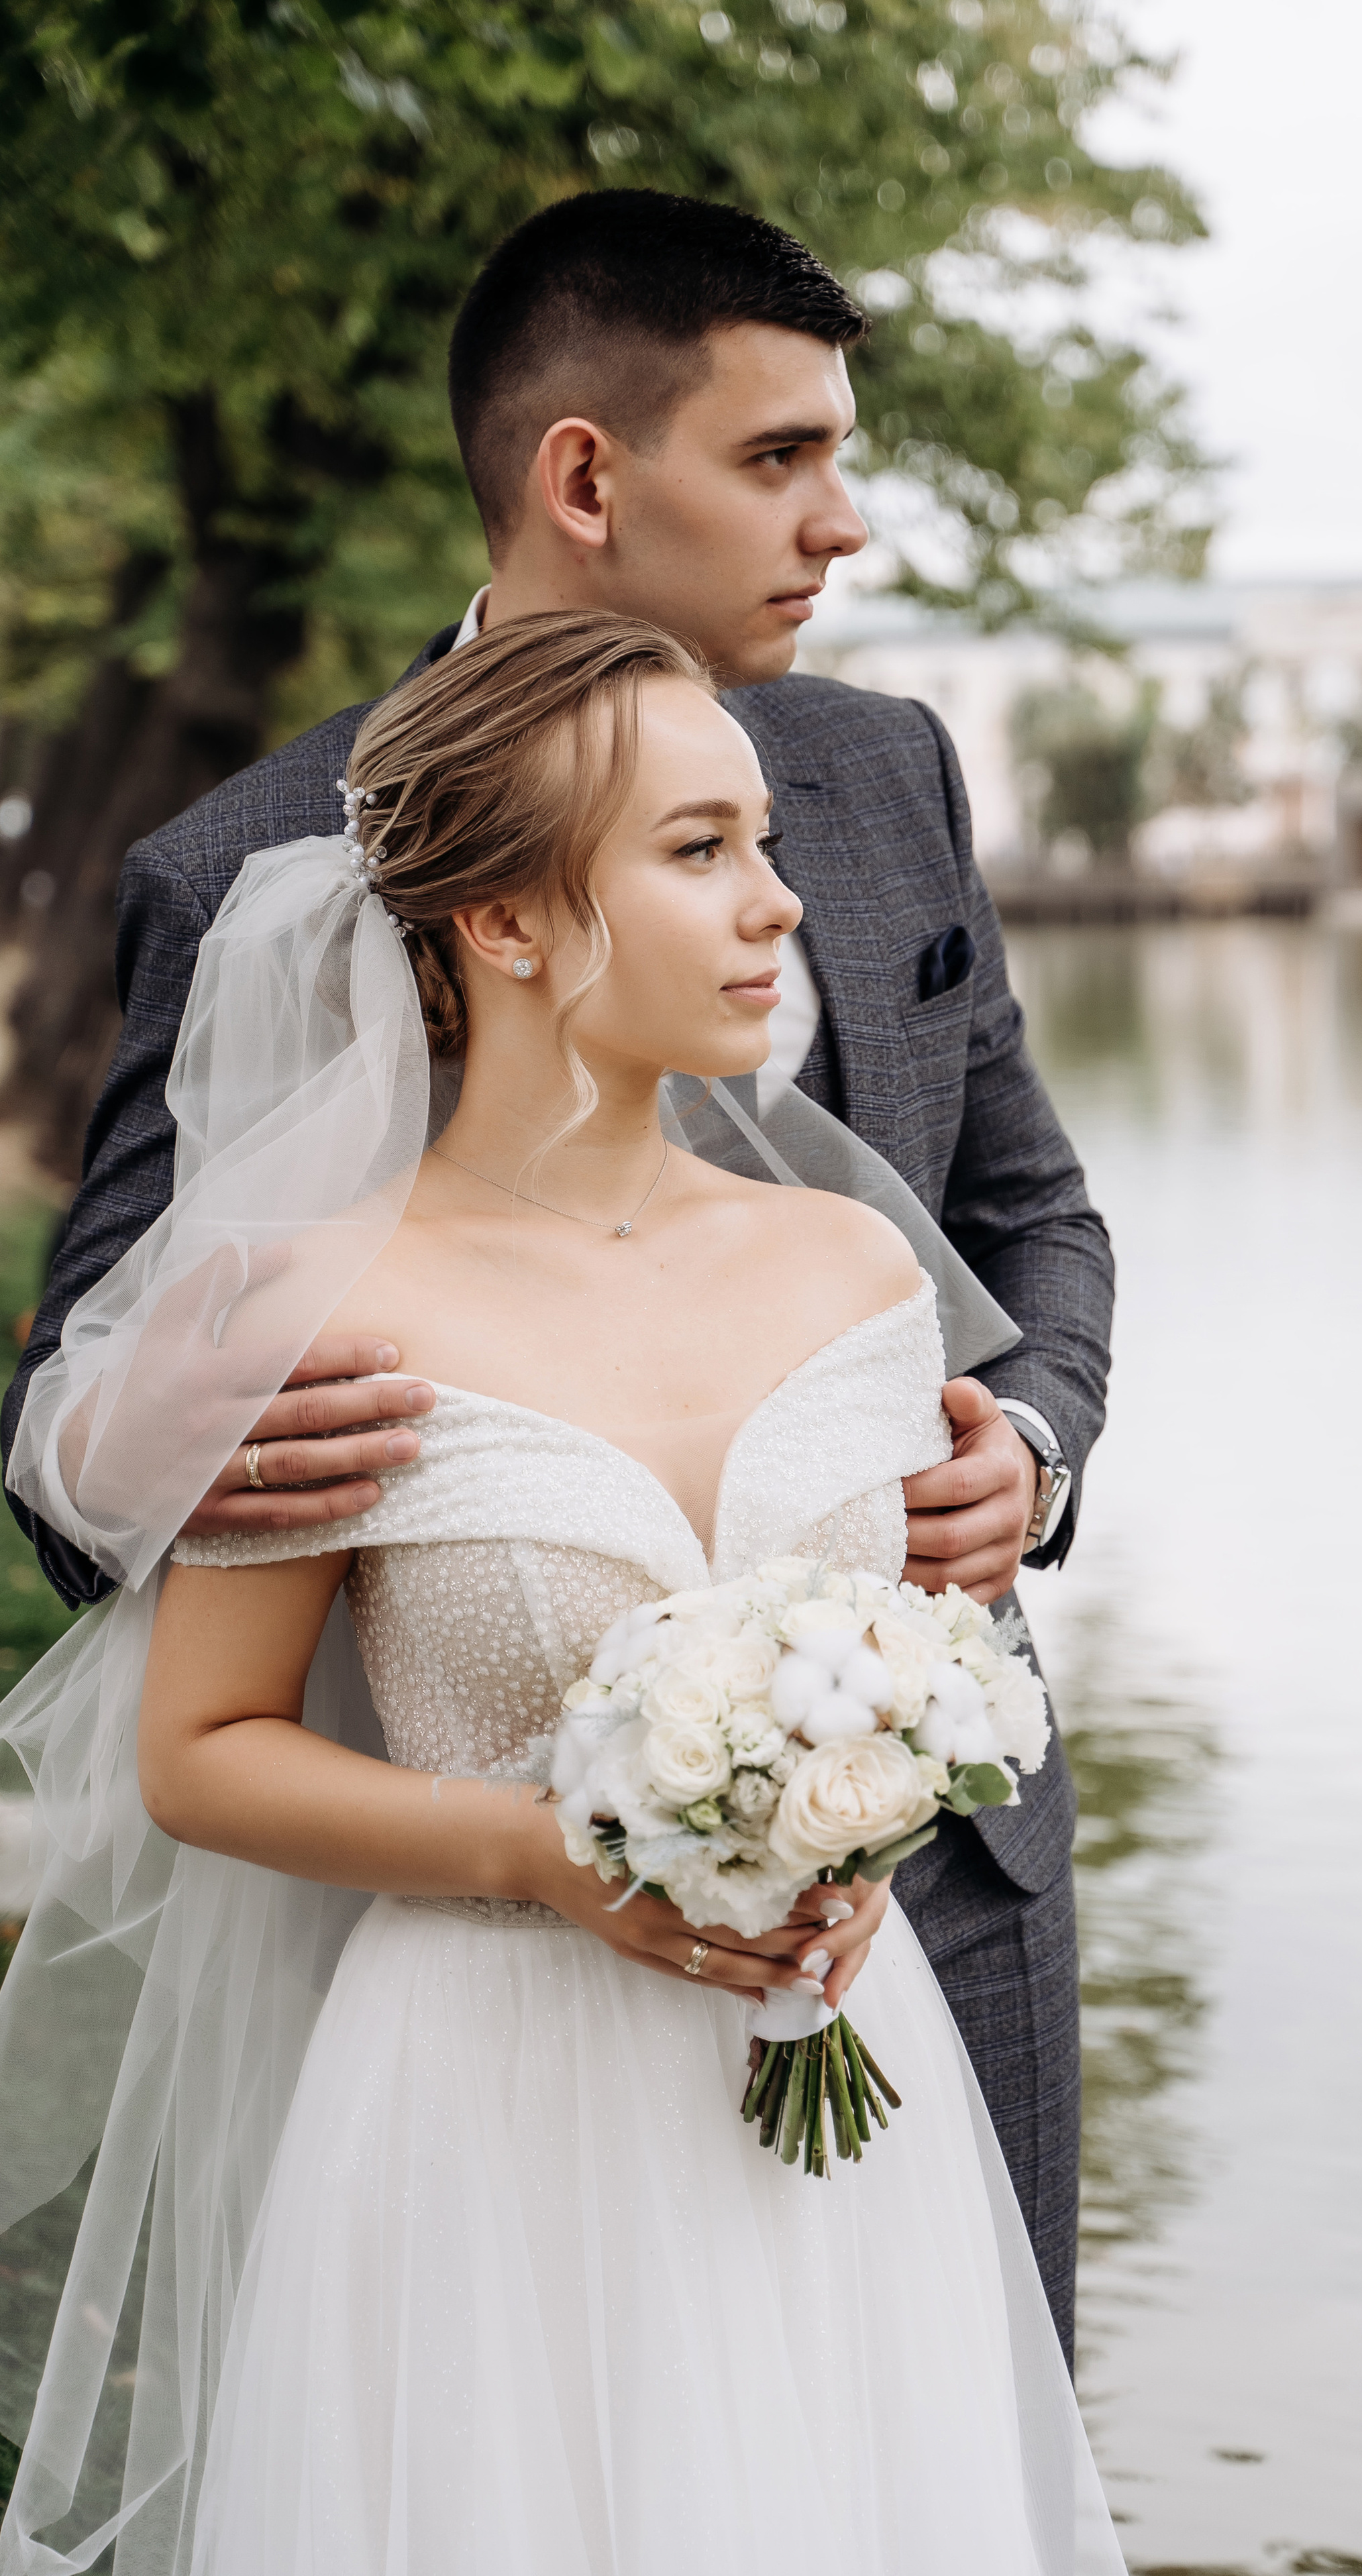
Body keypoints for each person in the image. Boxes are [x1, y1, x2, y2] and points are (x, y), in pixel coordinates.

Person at [0, 189, 1112, 2353]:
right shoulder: (247, 866)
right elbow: (98, 1372)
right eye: (781, 458)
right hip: (487, 1961)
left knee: (952, 2444)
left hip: (936, 1880)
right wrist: (143, 1445)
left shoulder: (886, 776)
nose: (844, 522)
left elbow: (1034, 1218)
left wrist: (1036, 1449)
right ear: (586, 478)